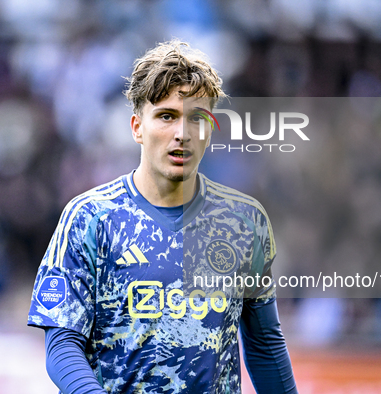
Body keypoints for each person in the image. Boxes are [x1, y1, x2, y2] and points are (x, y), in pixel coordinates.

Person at [28, 40, 297, 394]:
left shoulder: (245, 222)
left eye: (197, 118)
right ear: (137, 127)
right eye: (166, 116)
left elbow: (264, 346)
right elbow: (62, 344)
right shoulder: (90, 218)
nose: (182, 134)